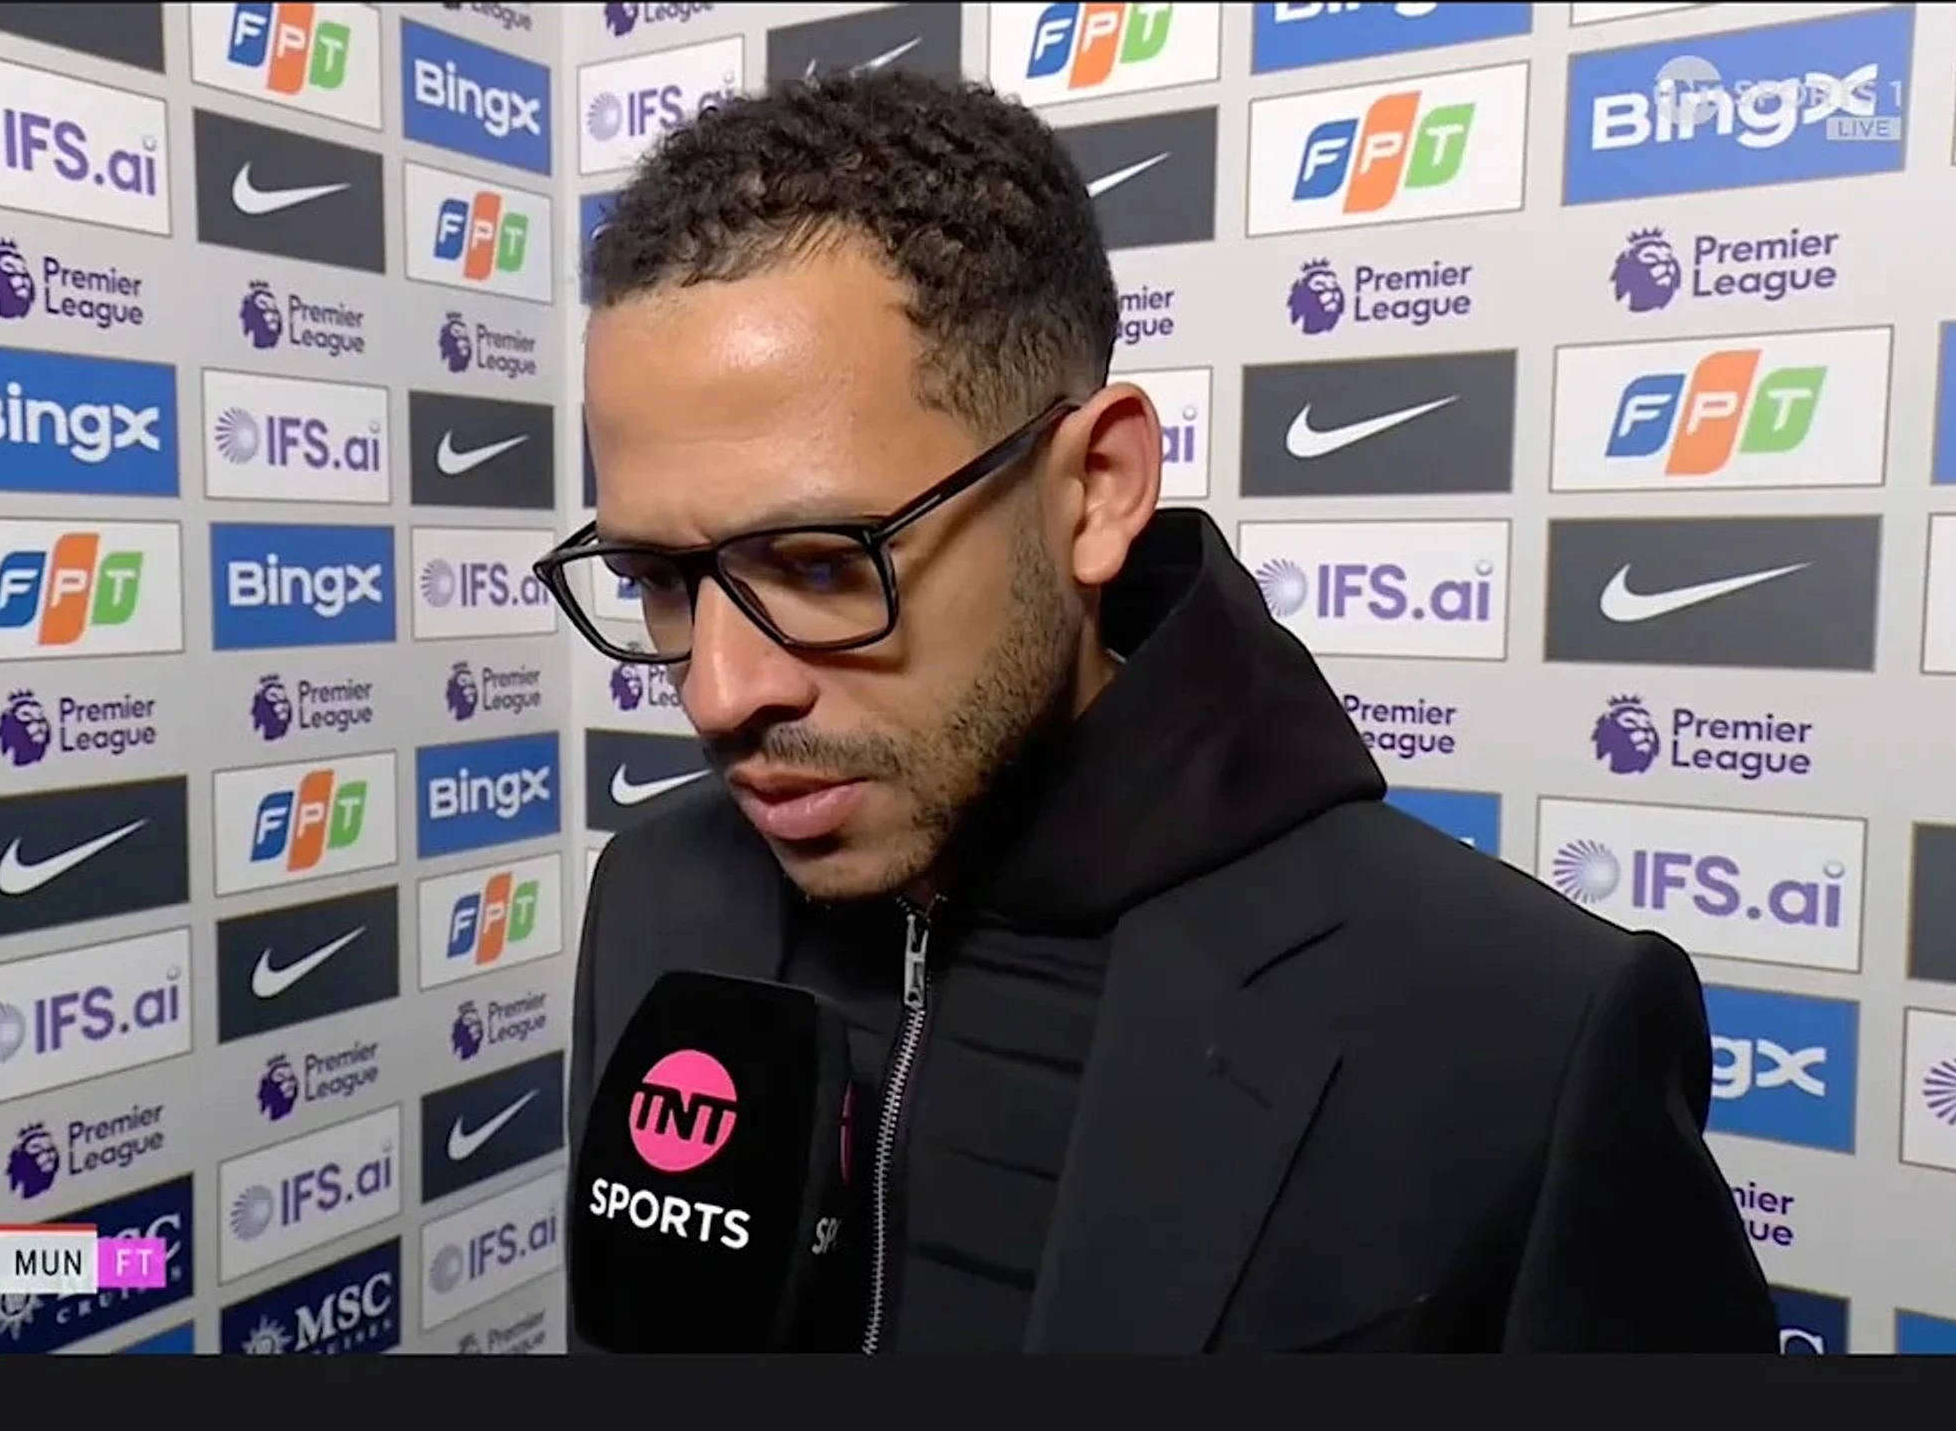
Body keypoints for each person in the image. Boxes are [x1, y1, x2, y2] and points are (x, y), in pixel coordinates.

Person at [541, 69, 1775, 1354]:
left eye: (819, 564)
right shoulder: (654, 898)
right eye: (661, 580)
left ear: (1097, 488)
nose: (720, 690)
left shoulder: (1525, 1027)